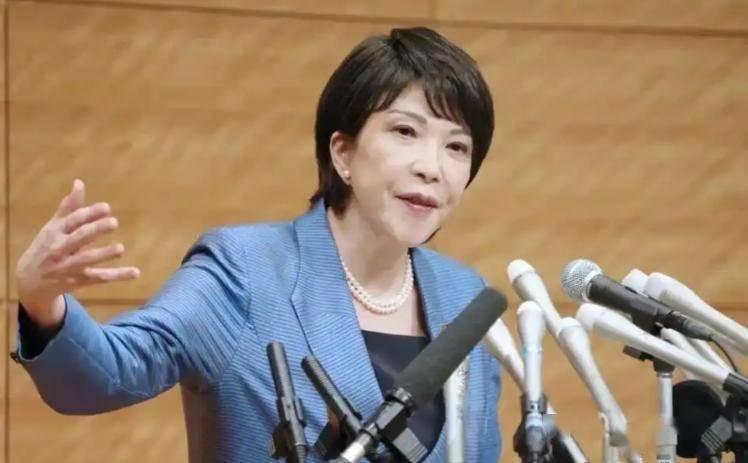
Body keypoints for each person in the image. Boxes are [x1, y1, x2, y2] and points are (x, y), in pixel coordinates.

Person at [12, 27, 500, 462]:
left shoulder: (466, 297)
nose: (432, 167)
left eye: (456, 146)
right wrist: (42, 302)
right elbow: (109, 373)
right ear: (343, 153)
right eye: (405, 131)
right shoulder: (245, 270)